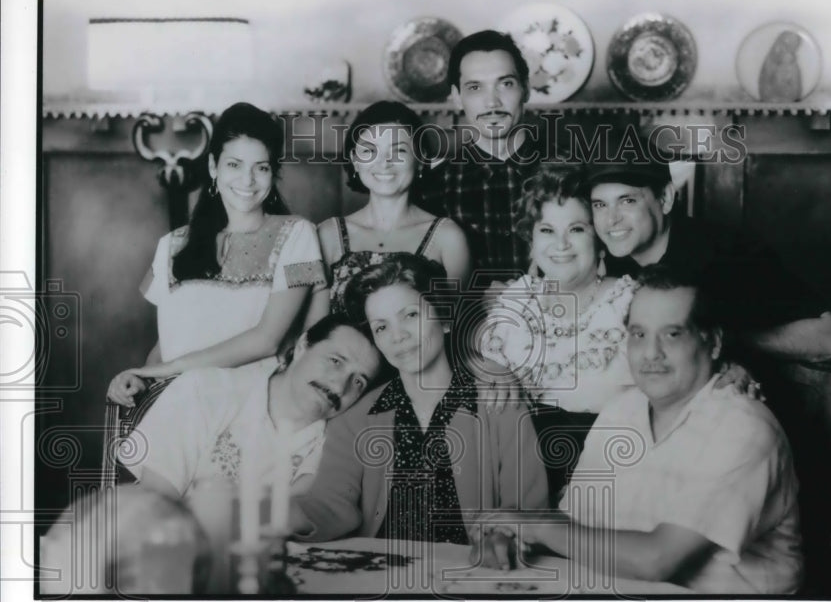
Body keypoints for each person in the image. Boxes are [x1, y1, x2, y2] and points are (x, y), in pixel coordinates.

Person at [506, 266, 804, 594]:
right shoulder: (620, 410)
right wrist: (514, 536)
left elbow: (657, 559)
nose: (651, 353)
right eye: (639, 334)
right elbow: (574, 527)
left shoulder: (744, 427)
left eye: (672, 334)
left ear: (714, 342)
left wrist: (537, 526)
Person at [289, 253, 548, 555]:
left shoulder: (498, 400)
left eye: (410, 315)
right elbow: (328, 503)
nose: (398, 336)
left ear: (444, 317)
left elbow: (529, 510)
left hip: (471, 574)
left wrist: (504, 535)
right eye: (382, 327)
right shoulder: (355, 418)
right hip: (381, 577)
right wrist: (269, 516)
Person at [107, 102, 327, 407]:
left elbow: (267, 340)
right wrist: (139, 379)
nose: (247, 180)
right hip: (179, 404)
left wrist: (165, 370)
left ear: (274, 172)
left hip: (255, 407)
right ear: (214, 167)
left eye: (261, 167)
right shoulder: (172, 245)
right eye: (234, 165)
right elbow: (166, 345)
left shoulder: (296, 234)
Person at [589, 134, 831, 363]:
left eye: (627, 201)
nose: (611, 220)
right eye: (600, 205)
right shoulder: (614, 262)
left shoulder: (729, 255)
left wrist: (720, 342)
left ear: (666, 198)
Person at [478, 163, 635, 502]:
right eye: (547, 230)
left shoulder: (630, 302)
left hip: (611, 488)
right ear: (531, 243)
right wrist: (492, 370)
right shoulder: (515, 300)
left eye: (576, 229)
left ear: (600, 238)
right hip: (514, 487)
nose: (561, 244)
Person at [122, 312, 383, 500]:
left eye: (359, 381)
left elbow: (297, 519)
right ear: (303, 345)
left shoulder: (335, 443)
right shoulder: (205, 390)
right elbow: (156, 503)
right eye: (335, 361)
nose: (340, 387)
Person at [319, 101, 470, 312]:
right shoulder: (327, 234)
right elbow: (309, 327)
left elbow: (457, 326)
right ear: (354, 160)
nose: (384, 162)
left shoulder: (448, 236)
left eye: (398, 151)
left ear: (420, 159)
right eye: (370, 151)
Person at [420, 30, 543, 283]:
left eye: (505, 83)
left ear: (526, 89)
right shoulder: (433, 187)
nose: (492, 102)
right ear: (456, 97)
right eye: (475, 87)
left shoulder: (571, 171)